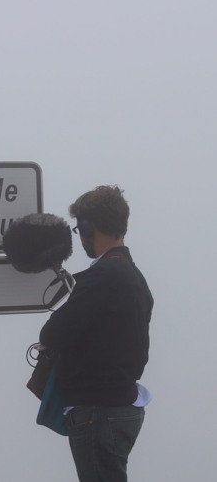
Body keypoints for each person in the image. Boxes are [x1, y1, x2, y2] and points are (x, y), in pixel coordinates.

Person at [39, 185, 153, 482]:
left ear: (89, 226)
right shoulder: (134, 276)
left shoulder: (104, 277)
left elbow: (52, 333)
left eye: (80, 229)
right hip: (121, 406)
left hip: (98, 412)